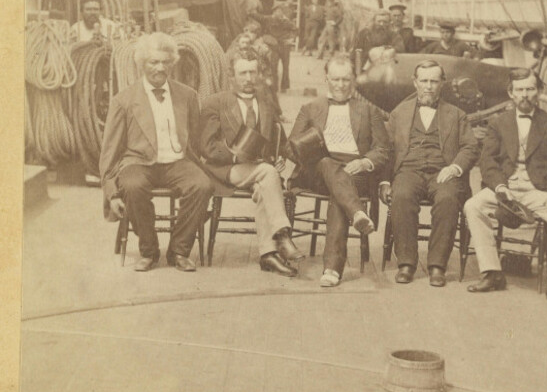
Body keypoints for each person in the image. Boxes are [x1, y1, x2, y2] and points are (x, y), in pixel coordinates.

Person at [463, 68, 547, 308]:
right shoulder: (498, 123)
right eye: (520, 90)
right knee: (473, 206)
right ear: (511, 93)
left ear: (539, 92)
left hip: (538, 191)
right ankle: (492, 272)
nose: (525, 95)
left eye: (530, 89)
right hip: (506, 188)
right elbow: (488, 161)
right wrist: (499, 187)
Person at [99, 32, 213, 272]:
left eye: (164, 62)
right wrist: (111, 192)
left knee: (202, 185)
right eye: (153, 62)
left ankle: (180, 250)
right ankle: (149, 251)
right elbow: (109, 151)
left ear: (172, 63)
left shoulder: (188, 96)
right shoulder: (124, 100)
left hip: (177, 162)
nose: (160, 67)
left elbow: (195, 139)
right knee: (132, 185)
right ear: (142, 63)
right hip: (139, 163)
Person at [199, 49, 303, 277]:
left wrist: (286, 156)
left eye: (252, 72)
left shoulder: (266, 103)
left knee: (267, 179)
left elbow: (280, 141)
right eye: (242, 73)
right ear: (231, 75)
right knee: (266, 173)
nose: (248, 79)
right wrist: (236, 155)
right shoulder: (215, 103)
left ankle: (267, 255)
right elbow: (207, 147)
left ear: (259, 73)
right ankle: (283, 235)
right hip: (225, 169)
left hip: (260, 171)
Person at [289, 54, 389, 287]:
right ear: (327, 79)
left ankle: (332, 270)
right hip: (318, 170)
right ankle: (357, 213)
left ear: (353, 80)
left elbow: (383, 149)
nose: (341, 85)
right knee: (328, 165)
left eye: (346, 79)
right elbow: (290, 145)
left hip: (356, 171)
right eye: (336, 79)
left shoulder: (368, 110)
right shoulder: (310, 108)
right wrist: (310, 150)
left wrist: (365, 162)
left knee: (339, 194)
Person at [379, 59, 479, 286]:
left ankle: (437, 265)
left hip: (443, 171)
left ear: (442, 83)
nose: (428, 86)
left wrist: (455, 167)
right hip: (408, 170)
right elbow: (386, 148)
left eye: (434, 81)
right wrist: (384, 181)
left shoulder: (456, 114)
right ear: (415, 83)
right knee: (401, 196)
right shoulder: (399, 113)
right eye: (423, 81)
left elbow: (471, 147)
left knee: (448, 198)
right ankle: (406, 262)